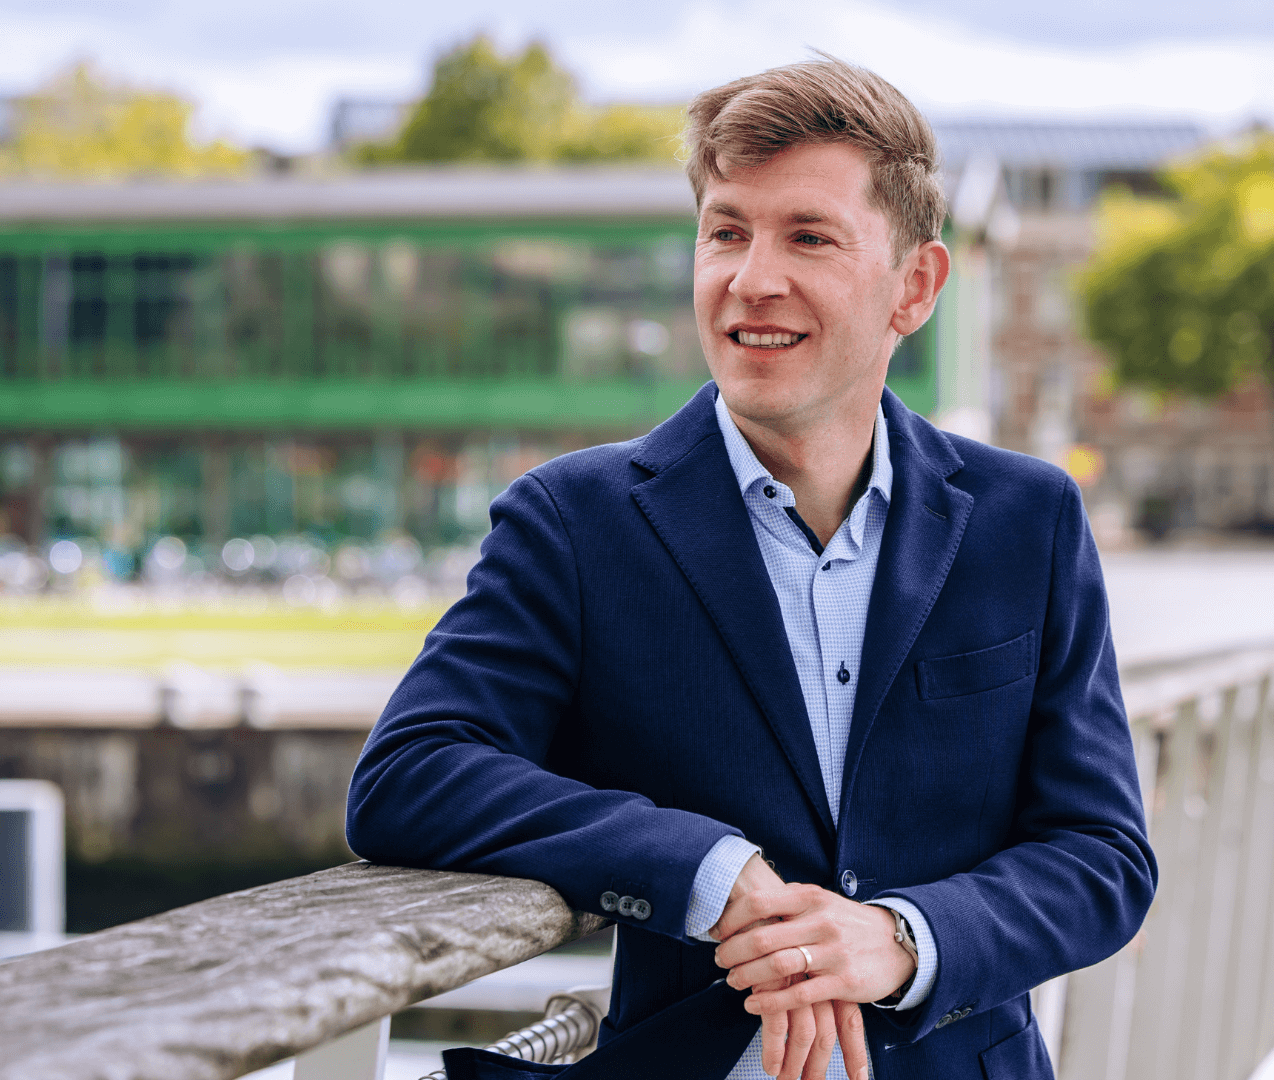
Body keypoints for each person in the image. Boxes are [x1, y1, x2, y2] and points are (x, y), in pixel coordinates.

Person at [345, 56, 1155, 1080]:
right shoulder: (576, 522)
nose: (750, 278)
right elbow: (412, 770)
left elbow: (1100, 856)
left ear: (916, 285)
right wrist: (707, 870)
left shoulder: (1025, 521)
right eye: (726, 231)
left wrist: (898, 939)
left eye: (808, 237)